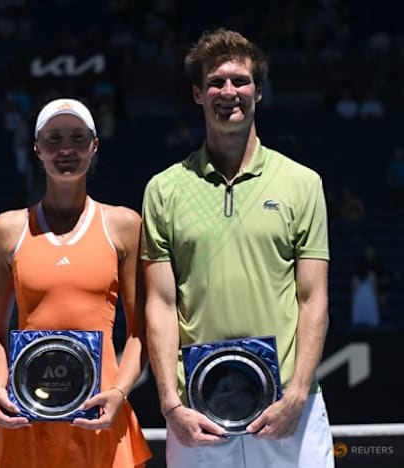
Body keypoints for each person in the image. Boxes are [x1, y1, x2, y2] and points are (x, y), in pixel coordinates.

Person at [141, 29, 334, 467]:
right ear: (197, 94)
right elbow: (160, 302)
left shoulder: (302, 184)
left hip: (288, 411)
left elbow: (313, 297)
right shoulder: (164, 189)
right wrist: (171, 405)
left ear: (258, 92)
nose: (229, 92)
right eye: (216, 82)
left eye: (240, 81)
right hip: (198, 415)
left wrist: (299, 393)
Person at [0, 98, 151, 468]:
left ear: (94, 146)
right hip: (28, 418)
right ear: (37, 148)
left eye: (77, 138)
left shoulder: (123, 226)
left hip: (101, 417)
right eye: (54, 140)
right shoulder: (5, 231)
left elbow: (139, 333)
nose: (66, 150)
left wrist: (119, 392)